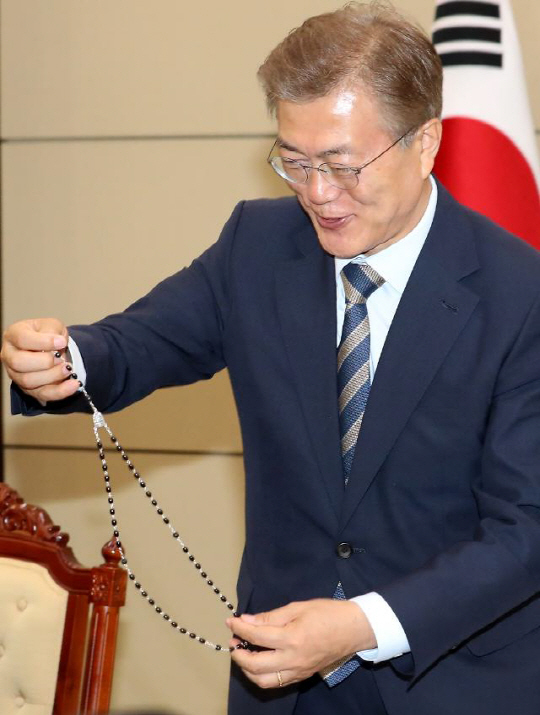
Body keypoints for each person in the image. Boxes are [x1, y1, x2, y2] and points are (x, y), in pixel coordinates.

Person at [2, 2, 540, 714]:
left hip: (452, 679)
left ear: (426, 141)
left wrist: (363, 624)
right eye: (293, 161)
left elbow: (525, 528)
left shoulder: (518, 292)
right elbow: (139, 342)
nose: (318, 193)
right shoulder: (257, 247)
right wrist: (65, 355)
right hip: (282, 683)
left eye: (343, 165)